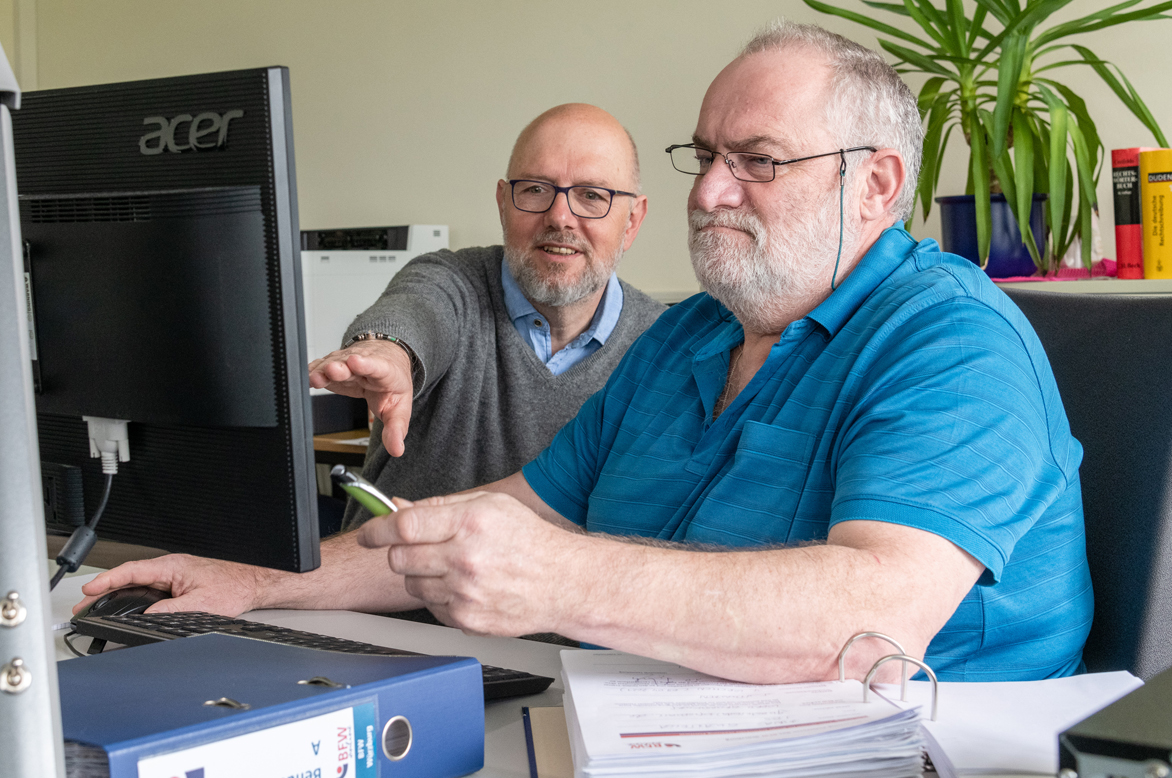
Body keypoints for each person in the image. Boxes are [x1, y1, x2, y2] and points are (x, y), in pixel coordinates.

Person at [80, 23, 1092, 684]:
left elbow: (872, 622)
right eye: (704, 156)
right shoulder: (690, 336)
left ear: (875, 186)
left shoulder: (952, 341)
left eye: (758, 163)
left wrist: (561, 584)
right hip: (638, 719)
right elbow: (507, 517)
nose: (708, 193)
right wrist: (261, 584)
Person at [308, 103, 665, 531]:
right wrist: (386, 352)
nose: (559, 217)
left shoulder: (667, 345)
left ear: (632, 220)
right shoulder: (451, 280)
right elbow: (417, 311)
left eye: (592, 195)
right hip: (385, 592)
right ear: (502, 202)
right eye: (535, 189)